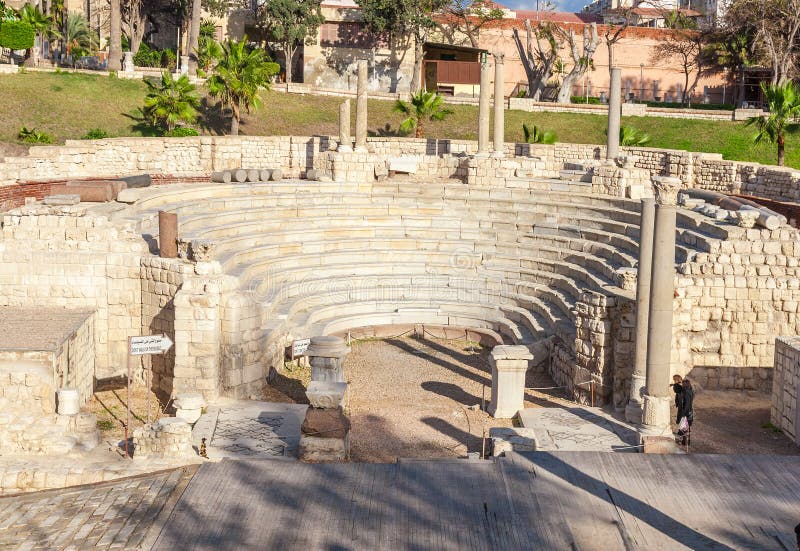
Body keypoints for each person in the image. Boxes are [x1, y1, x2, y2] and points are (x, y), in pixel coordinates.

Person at [679, 378, 695, 445]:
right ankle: (686, 441)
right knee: (687, 427)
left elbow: (687, 404)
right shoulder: (690, 391)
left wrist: (683, 414)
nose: (682, 385)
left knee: (684, 427)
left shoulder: (687, 392)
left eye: (683, 384)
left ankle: (685, 442)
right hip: (689, 411)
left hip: (687, 412)